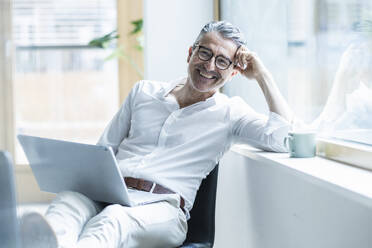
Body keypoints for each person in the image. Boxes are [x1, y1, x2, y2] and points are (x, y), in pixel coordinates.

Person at [21, 21, 293, 248]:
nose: (210, 66)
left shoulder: (230, 113)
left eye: (222, 61)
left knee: (113, 220)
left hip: (164, 209)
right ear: (190, 53)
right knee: (69, 202)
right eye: (205, 53)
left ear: (234, 72)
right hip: (110, 191)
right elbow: (104, 150)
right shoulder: (144, 92)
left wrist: (262, 75)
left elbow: (281, 139)